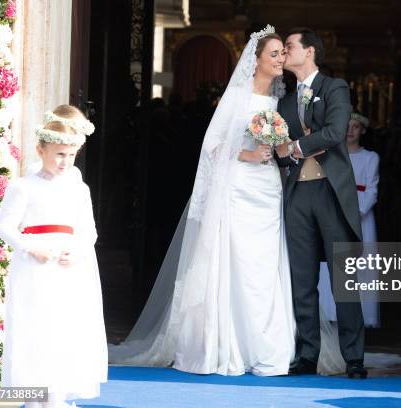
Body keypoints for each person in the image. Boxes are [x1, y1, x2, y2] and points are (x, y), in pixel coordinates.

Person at [109, 25, 297, 376]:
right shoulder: (238, 97)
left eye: (282, 54)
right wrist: (248, 155)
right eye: (274, 54)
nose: (280, 59)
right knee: (236, 259)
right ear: (255, 61)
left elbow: (283, 148)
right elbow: (212, 145)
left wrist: (282, 147)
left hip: (268, 189)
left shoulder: (278, 101)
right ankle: (227, 343)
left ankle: (264, 345)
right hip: (239, 186)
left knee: (264, 263)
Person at [275, 27, 366, 378]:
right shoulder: (283, 102)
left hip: (330, 192)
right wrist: (285, 152)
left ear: (309, 51)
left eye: (290, 47)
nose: (284, 53)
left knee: (343, 280)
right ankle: (307, 355)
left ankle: (354, 359)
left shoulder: (334, 87)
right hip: (298, 194)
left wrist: (298, 146)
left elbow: (335, 130)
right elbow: (282, 154)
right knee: (302, 278)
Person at [0, 117, 107, 408]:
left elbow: (89, 230)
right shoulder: (24, 187)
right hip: (34, 267)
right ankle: (33, 399)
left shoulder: (78, 189)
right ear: (40, 150)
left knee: (62, 330)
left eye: (71, 155)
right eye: (59, 154)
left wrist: (79, 251)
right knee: (34, 329)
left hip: (67, 267)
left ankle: (55, 398)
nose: (65, 161)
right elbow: (5, 226)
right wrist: (31, 247)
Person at [318, 113, 380, 328]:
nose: (350, 130)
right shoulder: (332, 156)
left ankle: (361, 315)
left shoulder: (371, 157)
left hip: (361, 215)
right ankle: (331, 312)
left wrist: (357, 213)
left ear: (362, 130)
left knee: (361, 265)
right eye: (347, 126)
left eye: (356, 127)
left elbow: (372, 190)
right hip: (335, 212)